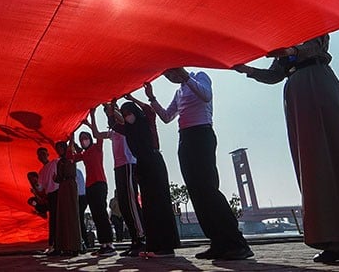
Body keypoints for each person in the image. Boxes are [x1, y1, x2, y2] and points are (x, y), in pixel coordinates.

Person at [233, 35, 339, 264]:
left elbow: (313, 47)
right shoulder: (282, 34)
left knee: (336, 151)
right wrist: (247, 69)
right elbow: (275, 74)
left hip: (317, 80)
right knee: (311, 160)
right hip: (296, 89)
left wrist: (289, 51)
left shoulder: (313, 20)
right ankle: (333, 238)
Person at [144, 68, 253, 260]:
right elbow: (167, 117)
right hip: (184, 138)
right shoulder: (178, 92)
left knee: (208, 188)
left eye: (172, 73)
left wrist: (186, 77)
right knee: (196, 192)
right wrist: (152, 99)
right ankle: (218, 242)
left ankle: (236, 242)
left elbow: (206, 95)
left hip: (201, 134)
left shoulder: (199, 77)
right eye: (167, 76)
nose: (171, 78)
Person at [105, 100, 180, 258]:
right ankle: (155, 245)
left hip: (154, 162)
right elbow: (113, 123)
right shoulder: (129, 130)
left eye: (129, 113)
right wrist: (111, 107)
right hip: (142, 167)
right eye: (124, 114)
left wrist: (131, 97)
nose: (127, 117)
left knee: (160, 203)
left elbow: (148, 109)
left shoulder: (147, 122)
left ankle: (167, 246)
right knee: (149, 206)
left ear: (135, 112)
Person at [89, 107, 145, 256]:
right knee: (125, 205)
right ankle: (134, 240)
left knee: (132, 203)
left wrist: (111, 109)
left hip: (128, 165)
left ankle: (141, 239)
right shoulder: (113, 132)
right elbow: (96, 134)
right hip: (118, 168)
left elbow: (121, 119)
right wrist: (92, 117)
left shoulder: (125, 127)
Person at [70, 113, 116, 257]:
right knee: (96, 215)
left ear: (89, 139)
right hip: (89, 186)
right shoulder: (83, 154)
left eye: (85, 138)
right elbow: (70, 157)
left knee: (102, 213)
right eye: (81, 139)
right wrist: (71, 139)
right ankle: (103, 244)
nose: (84, 141)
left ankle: (110, 244)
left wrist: (91, 120)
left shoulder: (97, 147)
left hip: (100, 183)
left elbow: (98, 134)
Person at [49, 140, 83, 256]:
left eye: (60, 148)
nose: (59, 150)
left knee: (71, 214)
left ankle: (74, 246)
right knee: (62, 215)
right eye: (57, 148)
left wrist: (71, 137)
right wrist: (55, 179)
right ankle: (63, 246)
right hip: (63, 187)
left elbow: (75, 149)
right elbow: (59, 177)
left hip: (70, 186)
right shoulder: (59, 162)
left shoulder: (70, 156)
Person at [36, 147, 59, 253]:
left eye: (43, 153)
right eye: (40, 155)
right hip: (50, 195)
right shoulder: (41, 172)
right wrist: (35, 187)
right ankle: (53, 244)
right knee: (53, 219)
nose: (42, 156)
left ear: (48, 154)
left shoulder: (55, 163)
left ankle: (58, 243)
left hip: (58, 193)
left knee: (59, 219)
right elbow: (40, 188)